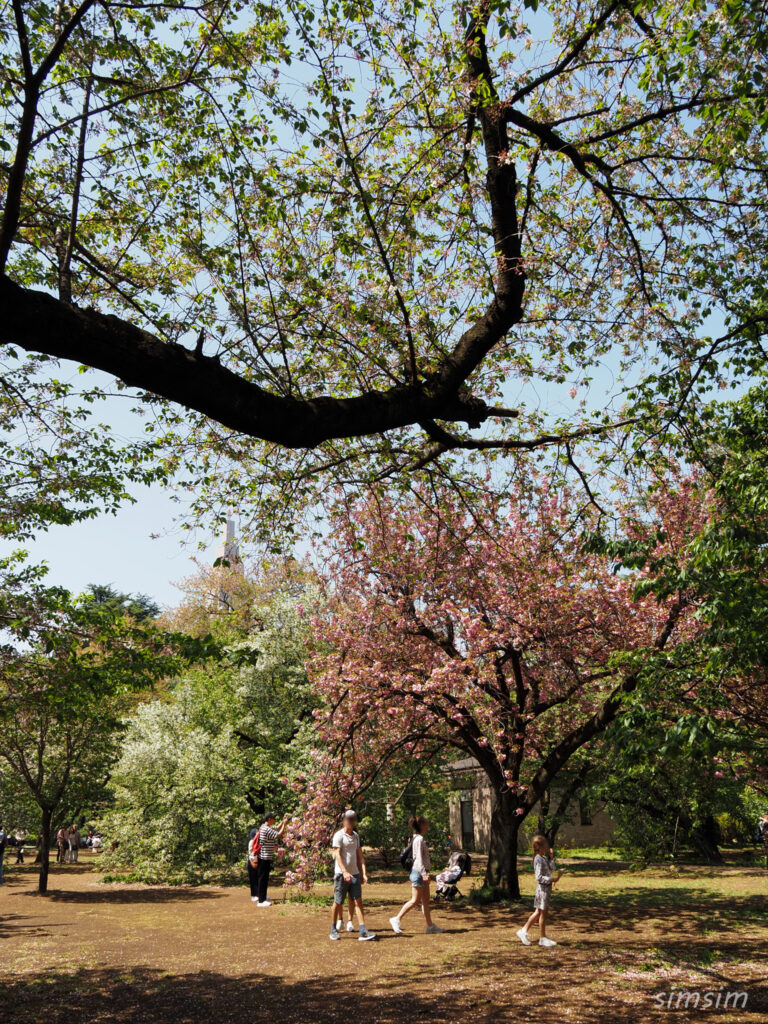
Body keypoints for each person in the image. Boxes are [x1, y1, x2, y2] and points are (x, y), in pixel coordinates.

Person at [390, 815, 443, 935]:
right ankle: (396, 919)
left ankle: (430, 926)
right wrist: (424, 874)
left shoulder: (417, 838)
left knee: (425, 901)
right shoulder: (418, 839)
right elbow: (418, 859)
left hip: (421, 872)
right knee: (415, 900)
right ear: (421, 825)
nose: (428, 825)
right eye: (426, 823)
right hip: (418, 873)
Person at [329, 810, 376, 941]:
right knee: (338, 902)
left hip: (354, 874)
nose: (350, 821)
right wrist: (344, 871)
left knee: (358, 902)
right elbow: (337, 854)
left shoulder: (355, 836)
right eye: (348, 819)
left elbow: (360, 855)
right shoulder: (339, 835)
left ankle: (362, 930)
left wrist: (363, 873)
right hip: (341, 875)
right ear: (344, 820)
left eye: (352, 819)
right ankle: (333, 929)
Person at [516, 834, 562, 948]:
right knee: (542, 913)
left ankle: (523, 931)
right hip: (543, 890)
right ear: (540, 846)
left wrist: (551, 858)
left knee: (538, 913)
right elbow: (539, 877)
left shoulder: (544, 858)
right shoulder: (537, 859)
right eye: (546, 844)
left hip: (546, 890)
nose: (548, 846)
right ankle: (542, 938)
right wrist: (552, 879)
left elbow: (552, 869)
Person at [252, 812, 289, 907]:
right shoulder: (266, 829)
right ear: (269, 819)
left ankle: (263, 896)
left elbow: (276, 828)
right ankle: (261, 901)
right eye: (273, 819)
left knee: (264, 878)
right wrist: (284, 824)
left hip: (265, 857)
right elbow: (278, 834)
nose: (274, 820)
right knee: (263, 879)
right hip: (264, 858)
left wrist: (283, 820)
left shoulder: (264, 827)